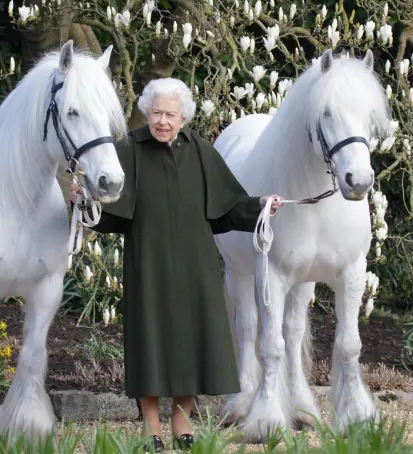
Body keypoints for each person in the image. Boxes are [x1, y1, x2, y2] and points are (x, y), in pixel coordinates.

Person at [70, 78, 283, 452]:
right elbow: (108, 210)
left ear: (183, 116)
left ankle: (181, 419)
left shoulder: (200, 151)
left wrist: (262, 204)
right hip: (147, 262)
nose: (162, 121)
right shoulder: (129, 150)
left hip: (195, 264)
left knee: (191, 341)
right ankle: (151, 421)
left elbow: (228, 206)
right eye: (156, 113)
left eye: (170, 114)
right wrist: (82, 201)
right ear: (147, 114)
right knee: (149, 339)